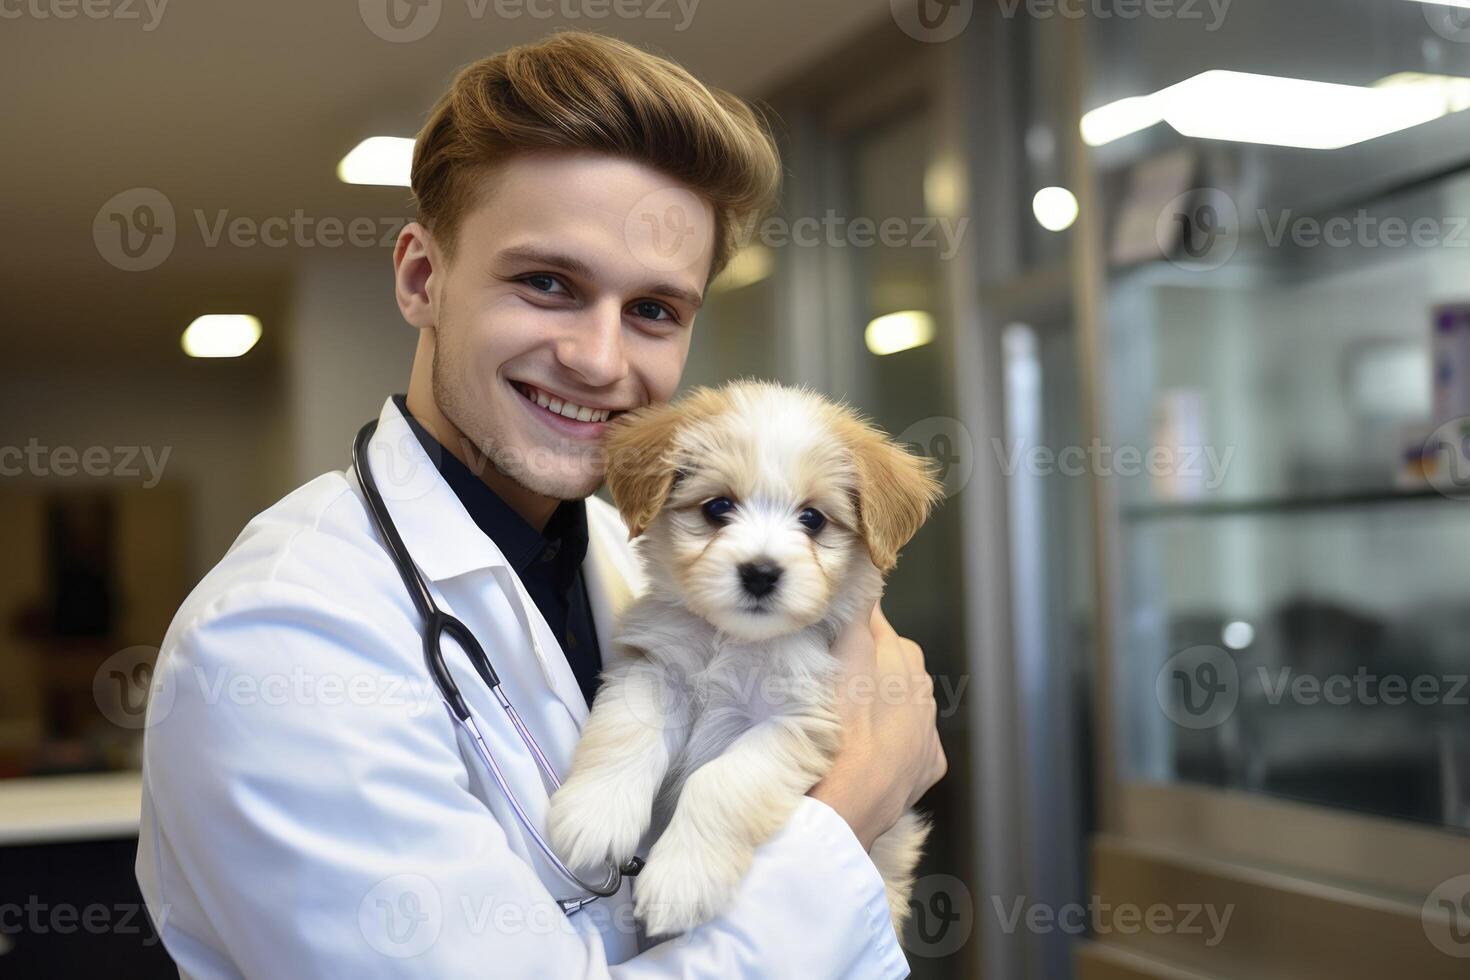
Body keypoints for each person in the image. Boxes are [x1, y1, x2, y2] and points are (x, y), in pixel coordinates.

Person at [135, 31, 945, 978]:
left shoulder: (621, 545)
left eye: (653, 309)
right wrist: (848, 810)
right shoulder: (280, 642)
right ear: (420, 277)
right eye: (547, 283)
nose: (599, 361)